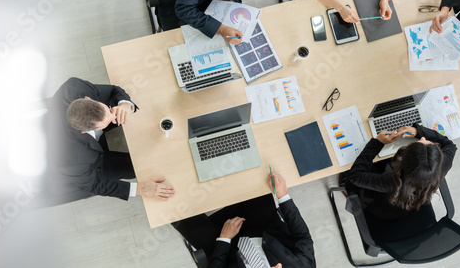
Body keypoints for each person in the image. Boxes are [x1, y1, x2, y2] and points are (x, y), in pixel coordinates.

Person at [41, 77, 176, 206]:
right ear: (84, 131)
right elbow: (93, 184)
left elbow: (113, 91)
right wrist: (139, 189)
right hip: (87, 164)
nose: (113, 116)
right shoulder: (69, 160)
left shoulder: (73, 88)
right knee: (142, 167)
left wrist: (125, 105)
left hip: (75, 139)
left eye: (107, 110)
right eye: (107, 120)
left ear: (87, 98)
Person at [173, 172, 315, 268]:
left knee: (176, 213)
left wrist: (224, 239)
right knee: (251, 173)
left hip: (226, 251)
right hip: (264, 229)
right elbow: (303, 237)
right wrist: (283, 196)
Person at [343, 124, 457, 221]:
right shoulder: (443, 164)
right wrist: (418, 131)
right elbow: (450, 145)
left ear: (404, 159)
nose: (422, 138)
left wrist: (377, 143)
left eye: (420, 142)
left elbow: (355, 176)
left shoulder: (391, 180)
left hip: (382, 209)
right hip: (411, 204)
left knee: (355, 175)